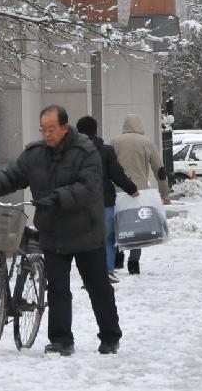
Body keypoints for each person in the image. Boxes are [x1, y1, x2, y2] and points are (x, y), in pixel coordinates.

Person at [0, 106, 121, 356]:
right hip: (53, 232)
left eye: (51, 129)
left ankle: (110, 336)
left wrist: (57, 198)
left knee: (97, 287)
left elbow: (88, 186)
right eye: (43, 129)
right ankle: (61, 340)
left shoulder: (86, 151)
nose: (46, 134)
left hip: (85, 231)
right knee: (58, 288)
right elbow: (13, 176)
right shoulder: (35, 153)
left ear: (64, 127)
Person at [75, 115, 139, 283]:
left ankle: (89, 274)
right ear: (96, 130)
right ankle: (107, 271)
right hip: (104, 200)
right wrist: (131, 189)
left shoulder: (72, 152)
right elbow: (117, 174)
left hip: (80, 201)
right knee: (107, 237)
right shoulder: (105, 150)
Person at [110, 114, 166, 275]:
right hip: (138, 191)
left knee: (119, 223)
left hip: (117, 191)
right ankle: (134, 262)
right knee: (137, 225)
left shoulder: (115, 142)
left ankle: (118, 256)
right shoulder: (147, 142)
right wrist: (164, 192)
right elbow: (160, 170)